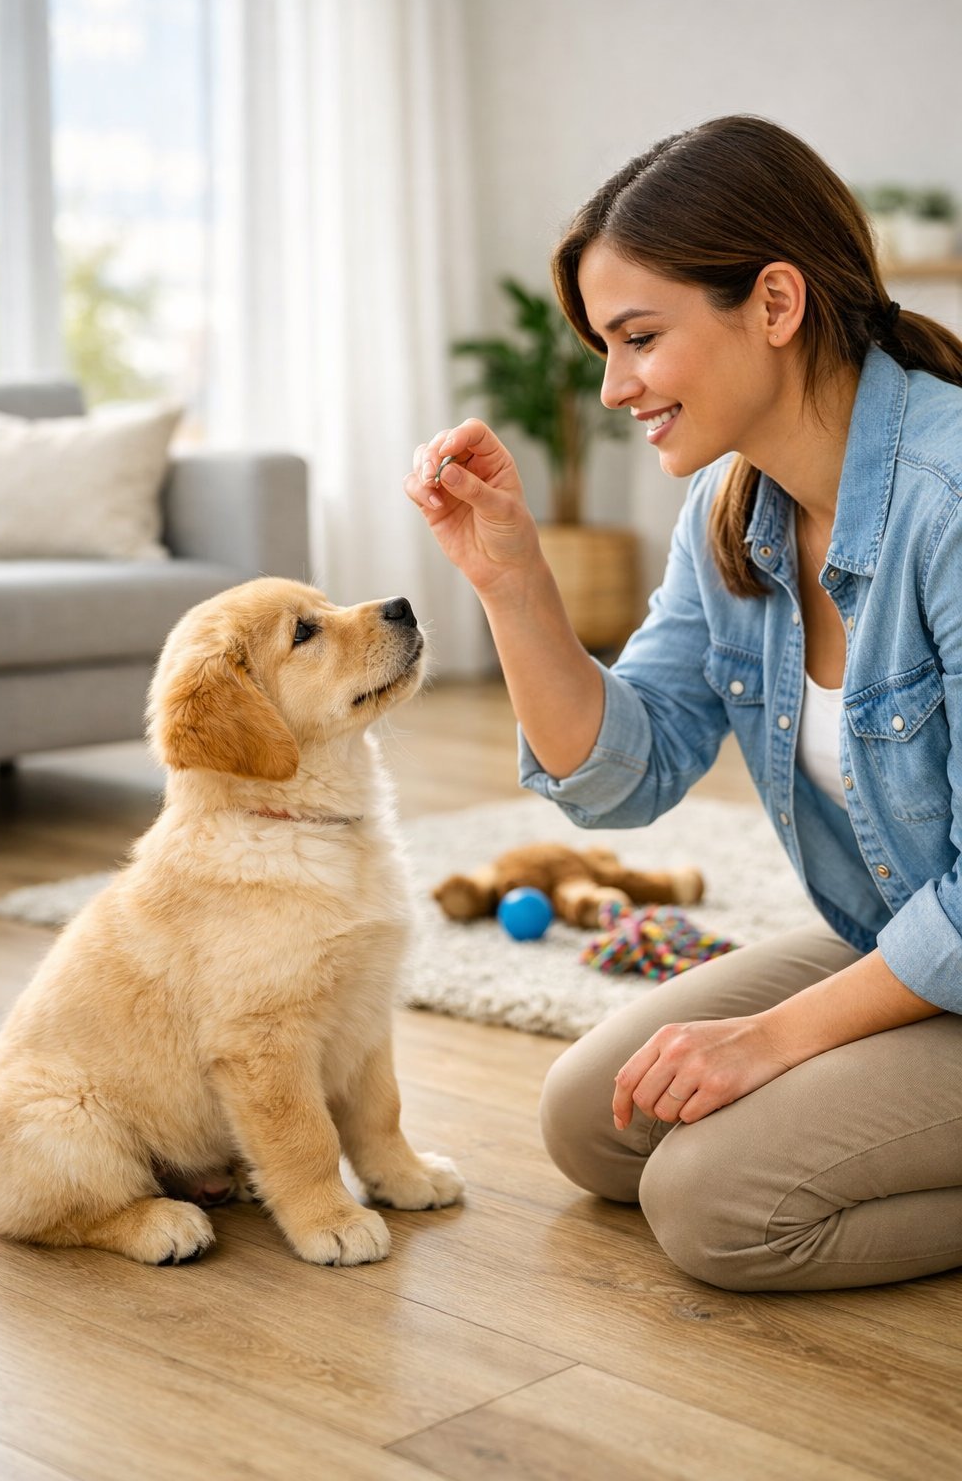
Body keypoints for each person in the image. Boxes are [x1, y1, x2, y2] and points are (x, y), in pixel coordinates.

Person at [403, 114, 962, 1293]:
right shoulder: (730, 508)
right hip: (906, 929)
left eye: (638, 338)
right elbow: (623, 775)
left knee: (716, 1204)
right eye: (605, 348)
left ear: (773, 302)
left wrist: (766, 1043)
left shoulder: (949, 502)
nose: (613, 388)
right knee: (592, 1122)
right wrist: (511, 583)